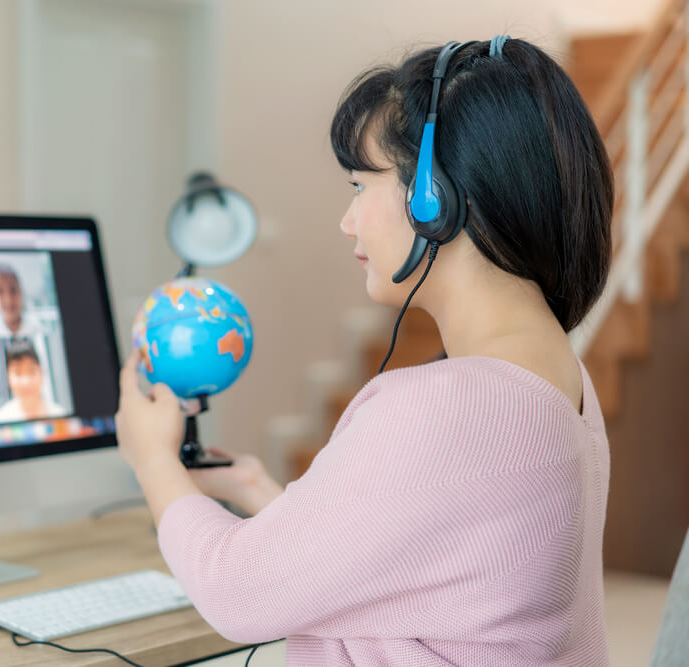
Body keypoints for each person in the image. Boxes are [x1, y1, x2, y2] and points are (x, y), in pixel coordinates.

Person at [115, 36, 613, 665]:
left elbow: (236, 593)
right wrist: (255, 488)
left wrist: (152, 458)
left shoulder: (450, 407)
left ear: (432, 197)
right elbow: (433, 565)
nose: (347, 221)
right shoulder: (559, 375)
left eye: (359, 186)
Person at [0, 338, 67, 422]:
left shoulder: (61, 415)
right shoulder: (0, 418)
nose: (26, 382)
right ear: (8, 377)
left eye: (31, 371)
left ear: (42, 373)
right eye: (17, 373)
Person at [0, 263, 43, 338]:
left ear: (21, 291)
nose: (8, 300)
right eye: (0, 292)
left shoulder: (35, 326)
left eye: (13, 290)